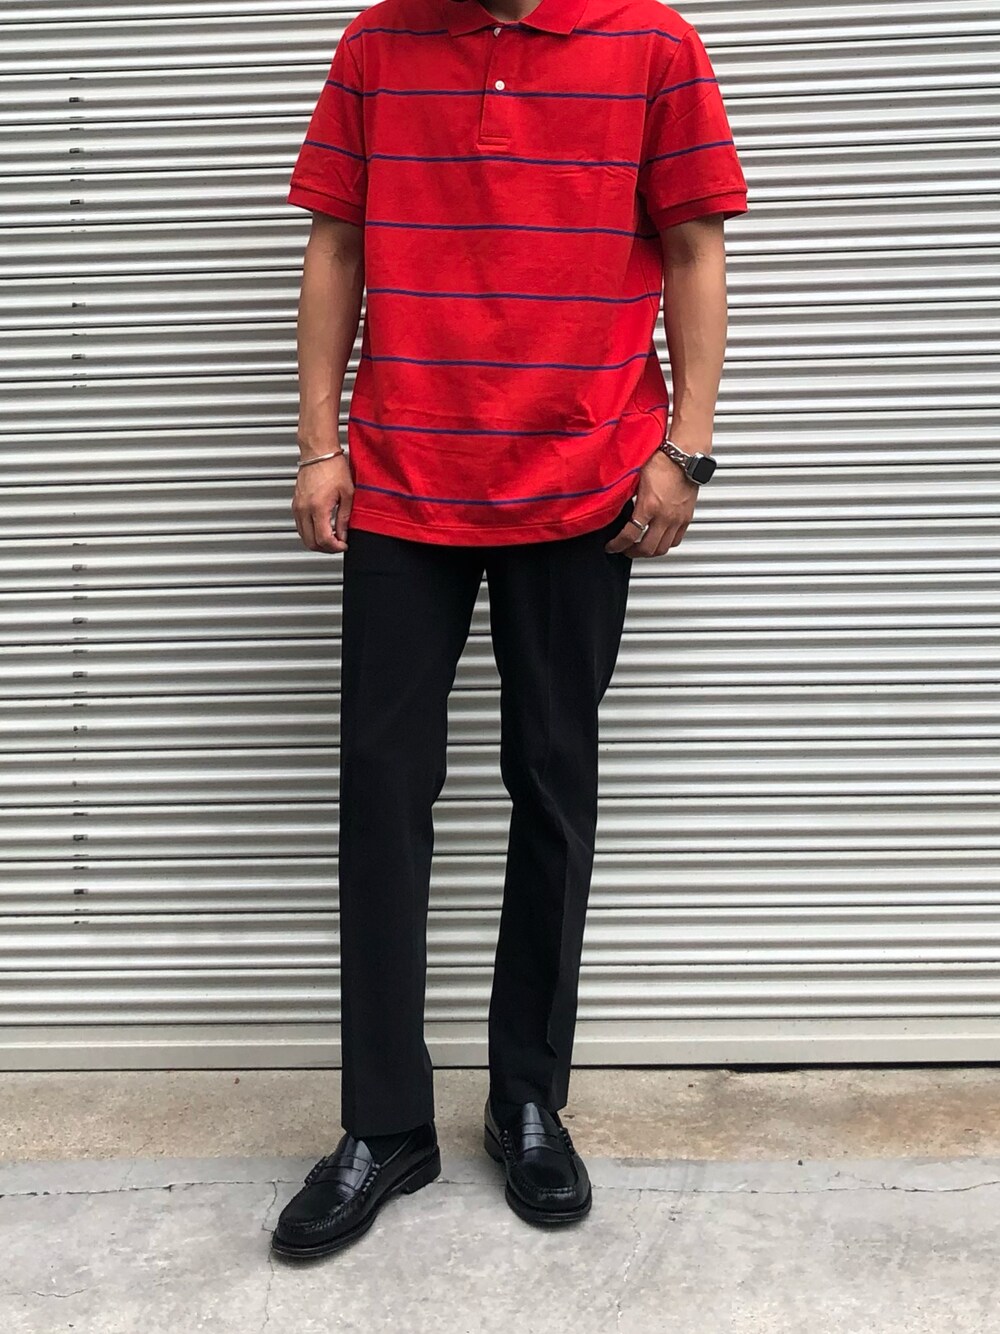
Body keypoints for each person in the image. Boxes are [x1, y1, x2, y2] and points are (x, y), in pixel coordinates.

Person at [271, 0, 748, 1259]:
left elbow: (692, 244)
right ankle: (385, 1122)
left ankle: (526, 1098)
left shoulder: (652, 45)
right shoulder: (378, 44)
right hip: (402, 478)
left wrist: (686, 450)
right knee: (381, 791)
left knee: (551, 782)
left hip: (584, 481)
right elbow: (336, 241)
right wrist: (317, 443)